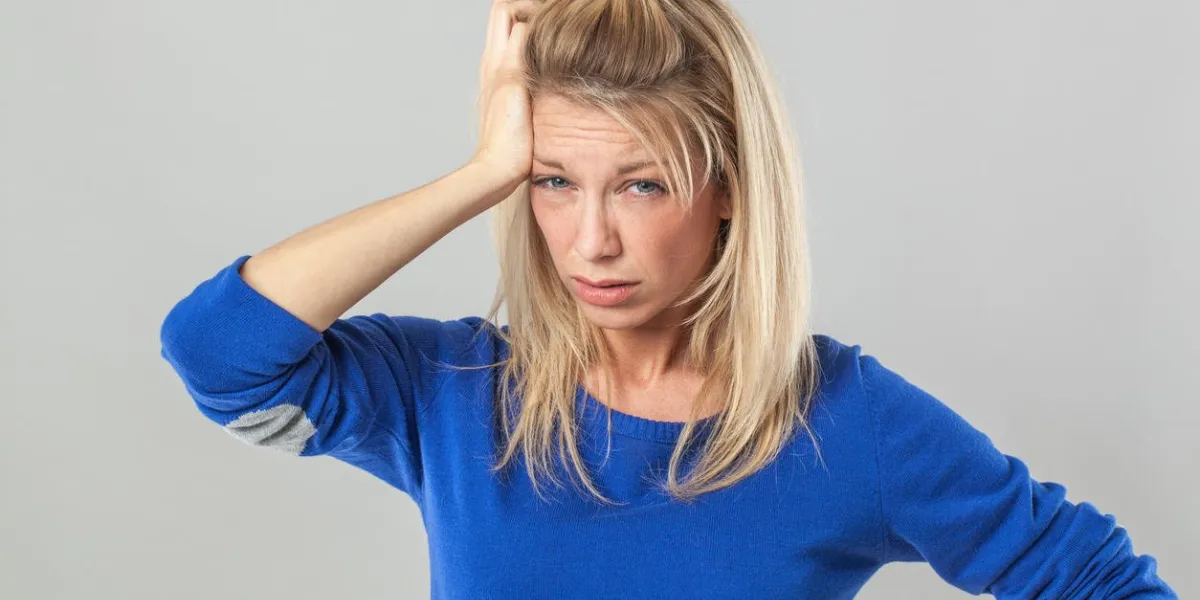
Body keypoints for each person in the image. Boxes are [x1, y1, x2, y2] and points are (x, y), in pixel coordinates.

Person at [159, 0, 1177, 597]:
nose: (591, 240)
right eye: (555, 181)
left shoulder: (846, 423)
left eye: (642, 184)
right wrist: (482, 171)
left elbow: (1101, 584)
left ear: (731, 187)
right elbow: (220, 352)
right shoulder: (459, 393)